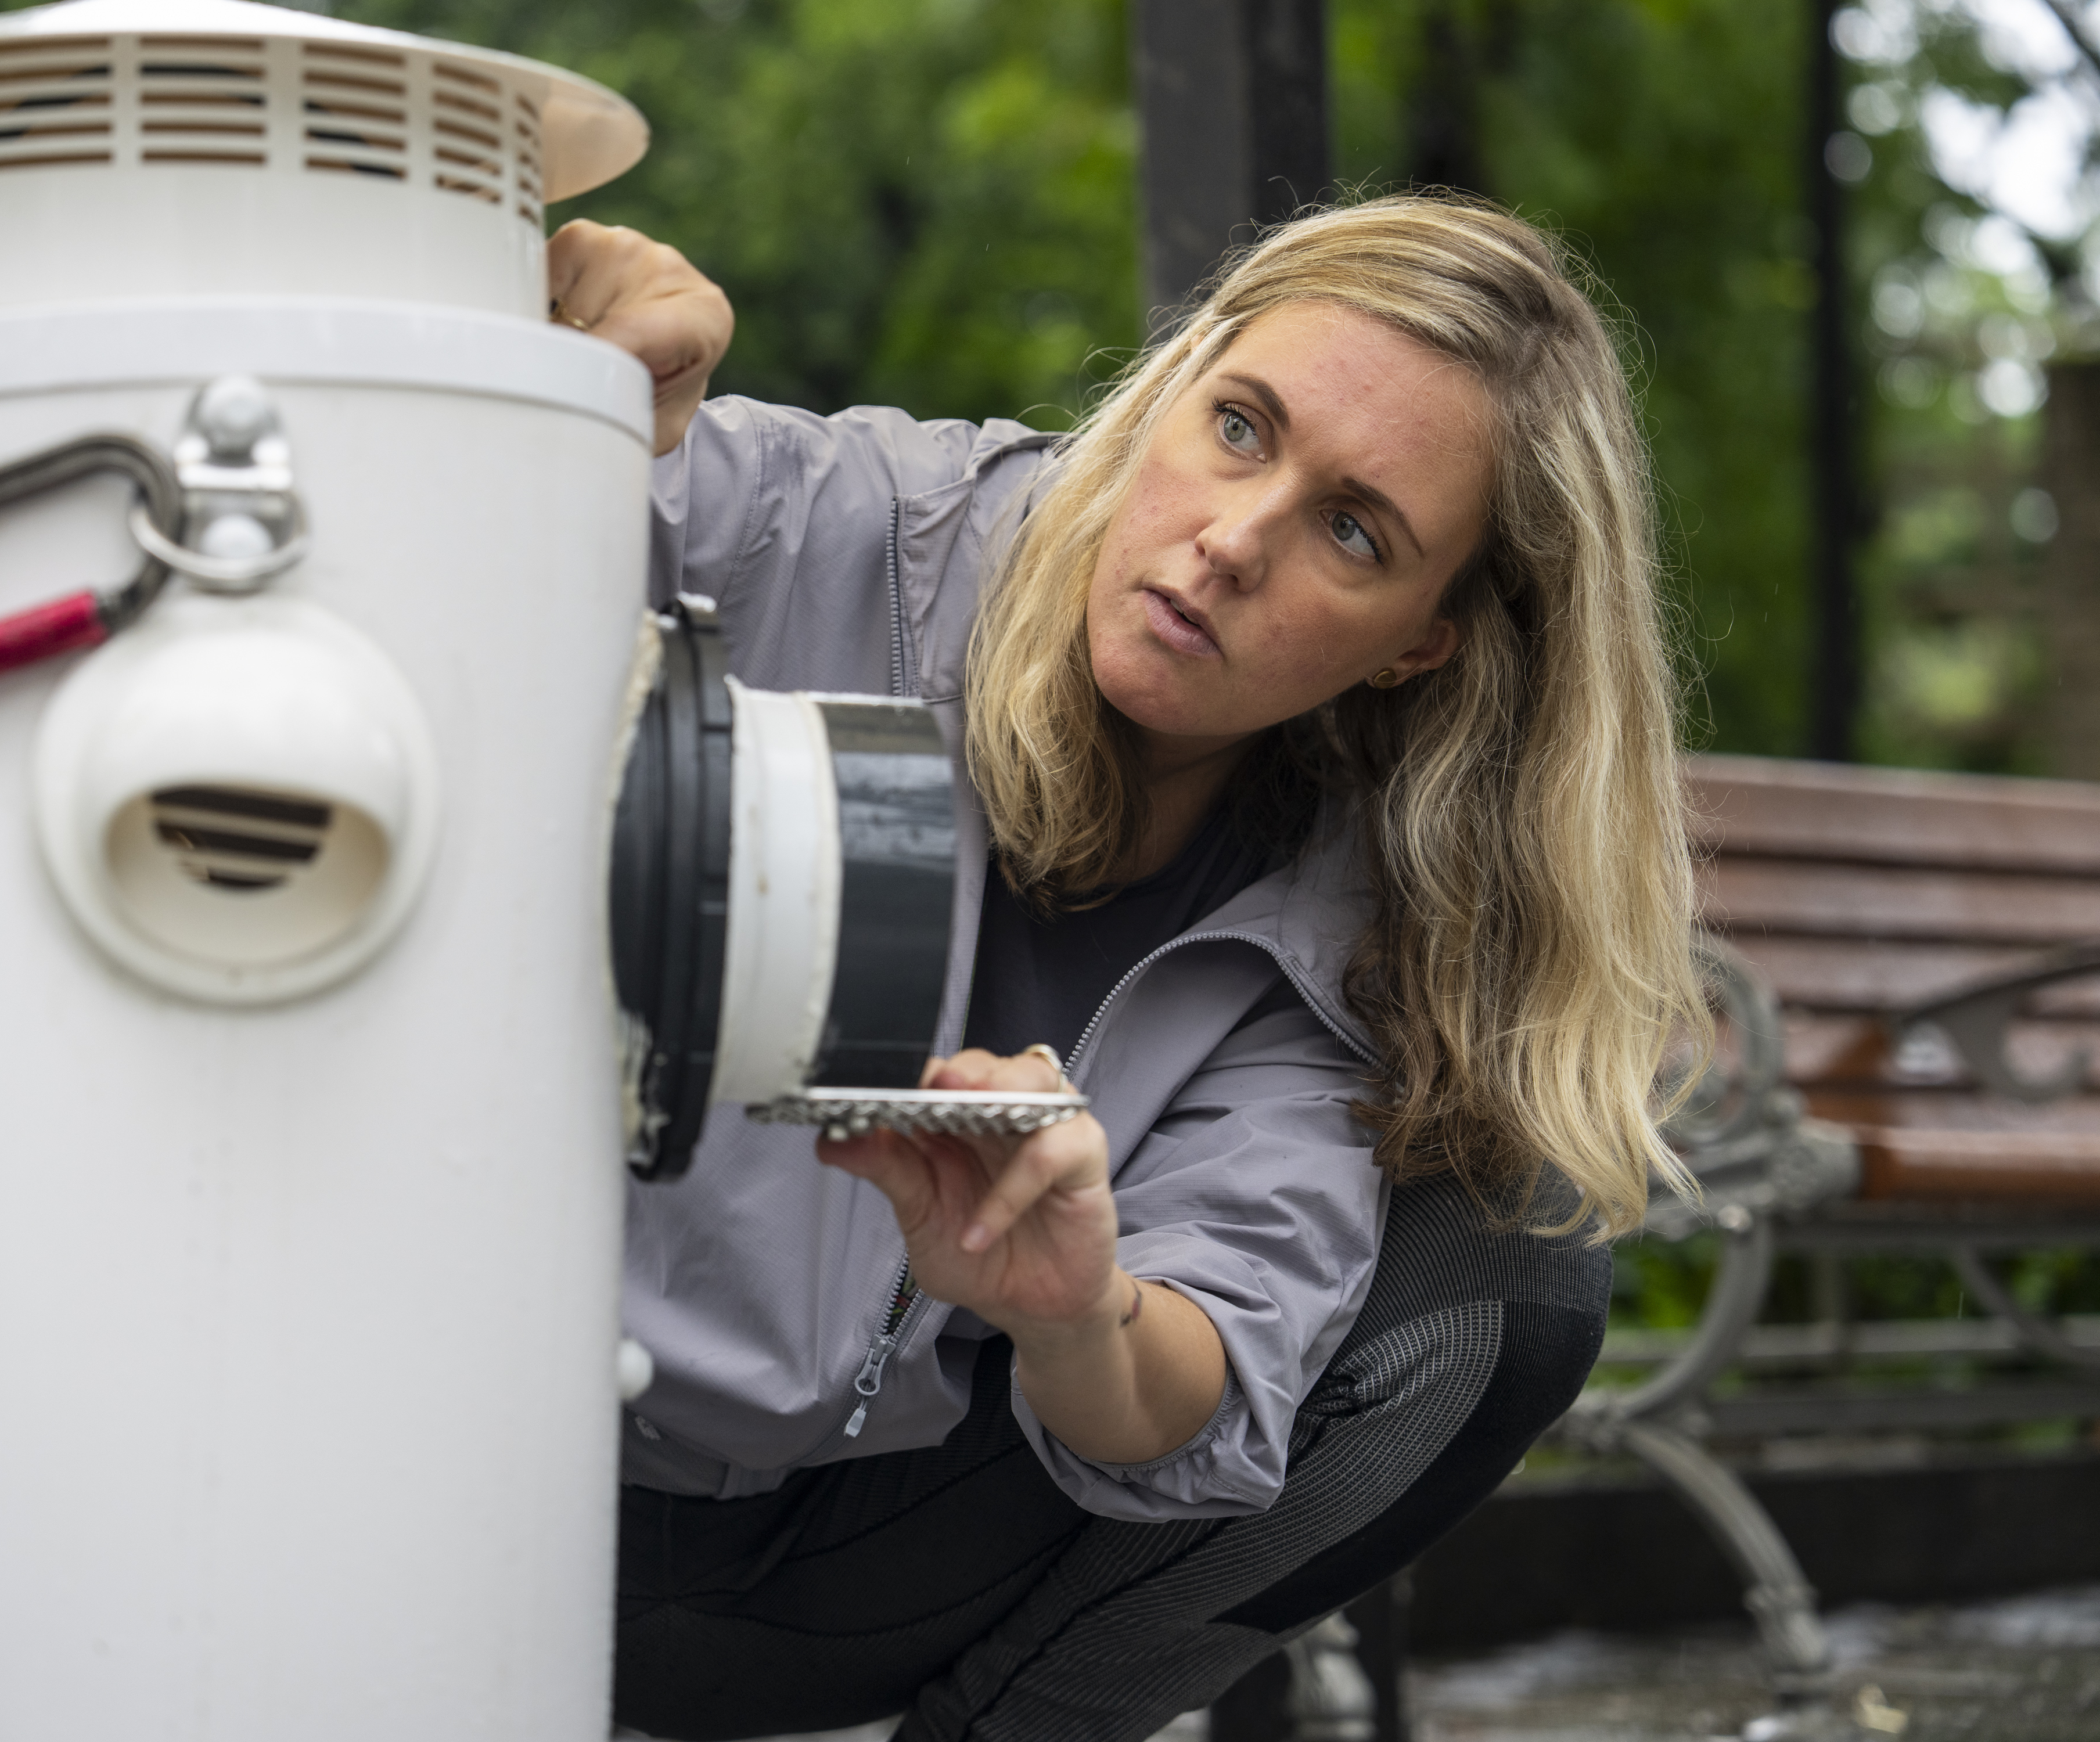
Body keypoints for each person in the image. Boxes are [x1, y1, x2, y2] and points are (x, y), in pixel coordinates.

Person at [553, 193, 1704, 1742]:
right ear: (1175, 382)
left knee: (1511, 1276)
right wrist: (558, 394)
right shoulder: (846, 527)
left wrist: (1074, 1306)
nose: (1231, 544)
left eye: (1352, 531)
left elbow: (1193, 1404)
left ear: (1418, 644)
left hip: (841, 1568)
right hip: (486, 1472)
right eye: (1238, 428)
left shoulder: (1355, 915)